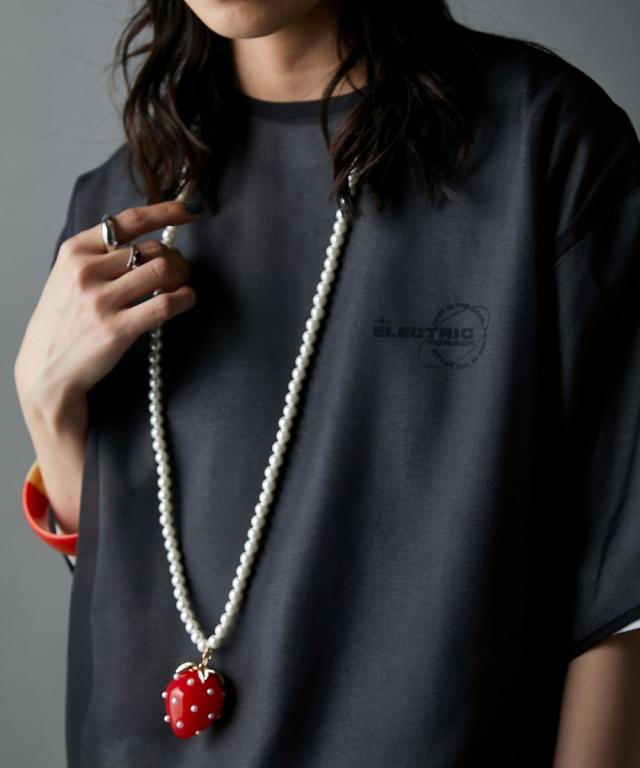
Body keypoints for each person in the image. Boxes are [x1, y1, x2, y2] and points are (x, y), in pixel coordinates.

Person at [14, 0, 640, 765]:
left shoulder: (543, 146)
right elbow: (133, 590)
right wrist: (47, 407)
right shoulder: (119, 212)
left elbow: (619, 589)